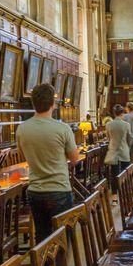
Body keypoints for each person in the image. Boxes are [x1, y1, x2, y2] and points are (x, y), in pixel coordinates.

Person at [16, 83, 81, 244]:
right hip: (58, 189)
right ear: (53, 104)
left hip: (35, 191)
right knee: (63, 238)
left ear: (33, 103)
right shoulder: (62, 128)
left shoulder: (22, 129)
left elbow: (23, 155)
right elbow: (75, 159)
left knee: (42, 238)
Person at [104, 104, 132, 191]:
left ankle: (114, 193)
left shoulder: (108, 124)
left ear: (114, 113)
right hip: (124, 150)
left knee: (113, 173)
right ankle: (125, 190)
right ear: (122, 114)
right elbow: (129, 139)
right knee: (125, 172)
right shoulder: (126, 125)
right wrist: (128, 147)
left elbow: (108, 138)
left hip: (113, 150)